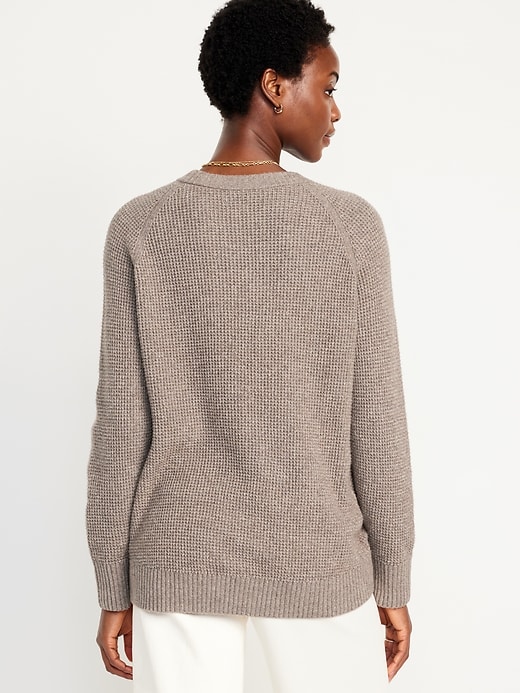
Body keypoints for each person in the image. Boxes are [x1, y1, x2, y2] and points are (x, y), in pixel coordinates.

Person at [87, 0, 414, 691]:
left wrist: (112, 583)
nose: (336, 110)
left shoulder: (139, 227)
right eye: (328, 87)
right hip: (318, 559)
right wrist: (393, 576)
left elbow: (121, 429)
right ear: (274, 85)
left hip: (178, 560)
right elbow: (377, 422)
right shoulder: (350, 227)